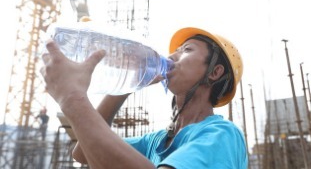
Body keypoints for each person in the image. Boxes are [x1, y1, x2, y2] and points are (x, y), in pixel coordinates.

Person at [40, 26, 247, 168]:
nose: (171, 56)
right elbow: (83, 153)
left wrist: (72, 98)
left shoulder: (221, 135)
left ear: (214, 72)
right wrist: (130, 82)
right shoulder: (157, 141)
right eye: (174, 51)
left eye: (186, 50)